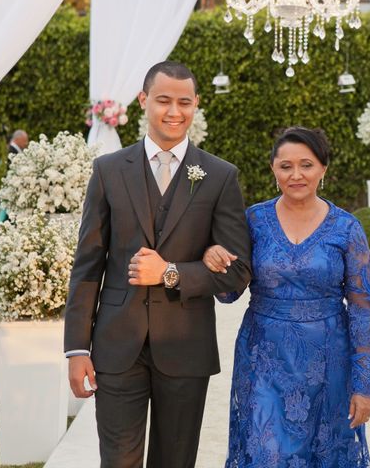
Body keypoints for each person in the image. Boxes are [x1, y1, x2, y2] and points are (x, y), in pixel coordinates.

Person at [63, 61, 252, 468]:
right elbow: (88, 265)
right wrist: (77, 348)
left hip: (186, 347)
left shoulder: (220, 176)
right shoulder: (109, 170)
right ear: (144, 100)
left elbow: (237, 271)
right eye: (164, 100)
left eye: (184, 102)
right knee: (118, 462)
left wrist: (171, 273)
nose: (174, 111)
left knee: (175, 461)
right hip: (116, 346)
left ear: (197, 104)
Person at [204, 127, 370, 467]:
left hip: (330, 363)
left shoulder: (347, 228)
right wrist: (215, 261)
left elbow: (363, 312)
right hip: (263, 360)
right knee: (267, 452)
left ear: (323, 168)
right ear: (273, 169)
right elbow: (229, 294)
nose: (296, 175)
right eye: (285, 166)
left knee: (323, 454)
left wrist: (364, 385)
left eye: (306, 165)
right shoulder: (253, 220)